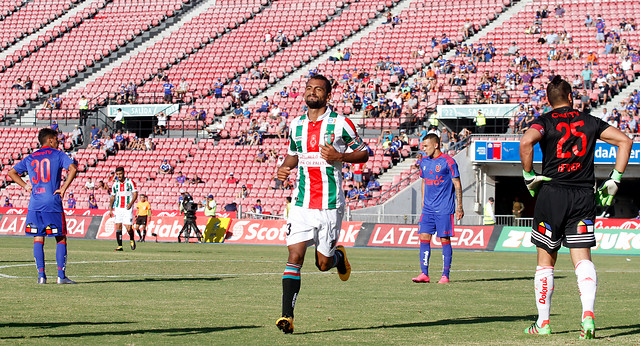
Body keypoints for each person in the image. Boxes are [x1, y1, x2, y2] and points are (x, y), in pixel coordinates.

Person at [519, 75, 632, 338]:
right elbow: (625, 141)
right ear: (571, 97)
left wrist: (528, 175)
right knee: (582, 260)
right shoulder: (590, 121)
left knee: (546, 262)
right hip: (583, 196)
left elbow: (525, 143)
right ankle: (588, 317)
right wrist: (615, 179)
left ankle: (543, 323)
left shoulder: (544, 121)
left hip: (552, 194)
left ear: (548, 101)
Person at [275, 74, 369, 334]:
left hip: (329, 204)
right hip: (301, 203)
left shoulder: (340, 124)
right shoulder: (295, 125)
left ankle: (339, 257)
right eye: (308, 88)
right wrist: (284, 168)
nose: (312, 92)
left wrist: (340, 155)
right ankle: (287, 317)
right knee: (294, 255)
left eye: (318, 89)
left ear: (328, 95)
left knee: (323, 264)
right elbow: (293, 155)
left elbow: (364, 153)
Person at [7, 128, 78, 284]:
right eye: (57, 140)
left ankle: (41, 276)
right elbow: (73, 169)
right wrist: (64, 187)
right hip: (51, 201)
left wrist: (26, 186)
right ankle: (61, 276)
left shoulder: (31, 157)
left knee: (38, 236)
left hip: (35, 202)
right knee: (60, 237)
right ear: (50, 140)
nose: (59, 143)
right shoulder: (58, 155)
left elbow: (11, 173)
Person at [411, 133, 463, 285]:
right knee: (424, 237)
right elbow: (424, 181)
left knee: (444, 239)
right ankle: (424, 274)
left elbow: (457, 184)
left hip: (444, 208)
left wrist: (459, 206)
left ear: (436, 145)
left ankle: (445, 275)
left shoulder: (449, 162)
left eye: (426, 146)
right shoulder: (424, 162)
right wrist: (422, 201)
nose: (423, 149)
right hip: (428, 208)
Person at [109, 167, 139, 251]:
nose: (119, 176)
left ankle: (132, 239)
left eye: (120, 174)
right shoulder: (115, 185)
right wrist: (111, 209)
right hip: (118, 208)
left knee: (129, 228)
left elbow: (135, 193)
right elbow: (113, 197)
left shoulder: (130, 182)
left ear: (124, 173)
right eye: (117, 174)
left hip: (127, 207)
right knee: (118, 226)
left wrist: (131, 203)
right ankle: (120, 246)